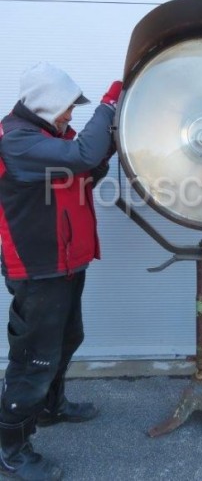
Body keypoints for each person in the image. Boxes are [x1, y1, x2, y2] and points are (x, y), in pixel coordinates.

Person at [0, 62, 123, 480]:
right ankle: (12, 449)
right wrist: (108, 107)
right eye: (68, 107)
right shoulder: (17, 141)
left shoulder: (51, 136)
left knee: (70, 338)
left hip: (67, 262)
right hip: (39, 269)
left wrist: (113, 141)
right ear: (48, 104)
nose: (72, 115)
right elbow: (81, 156)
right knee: (33, 360)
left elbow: (86, 168)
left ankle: (51, 408)